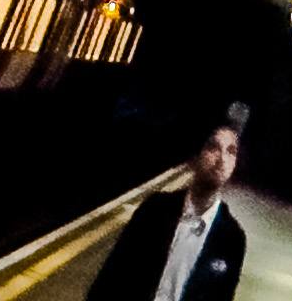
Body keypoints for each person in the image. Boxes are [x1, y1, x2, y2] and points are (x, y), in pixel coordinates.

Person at [87, 113, 249, 301]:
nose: (221, 159)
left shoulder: (232, 239)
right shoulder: (154, 210)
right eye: (213, 147)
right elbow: (112, 273)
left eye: (231, 151)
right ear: (196, 155)